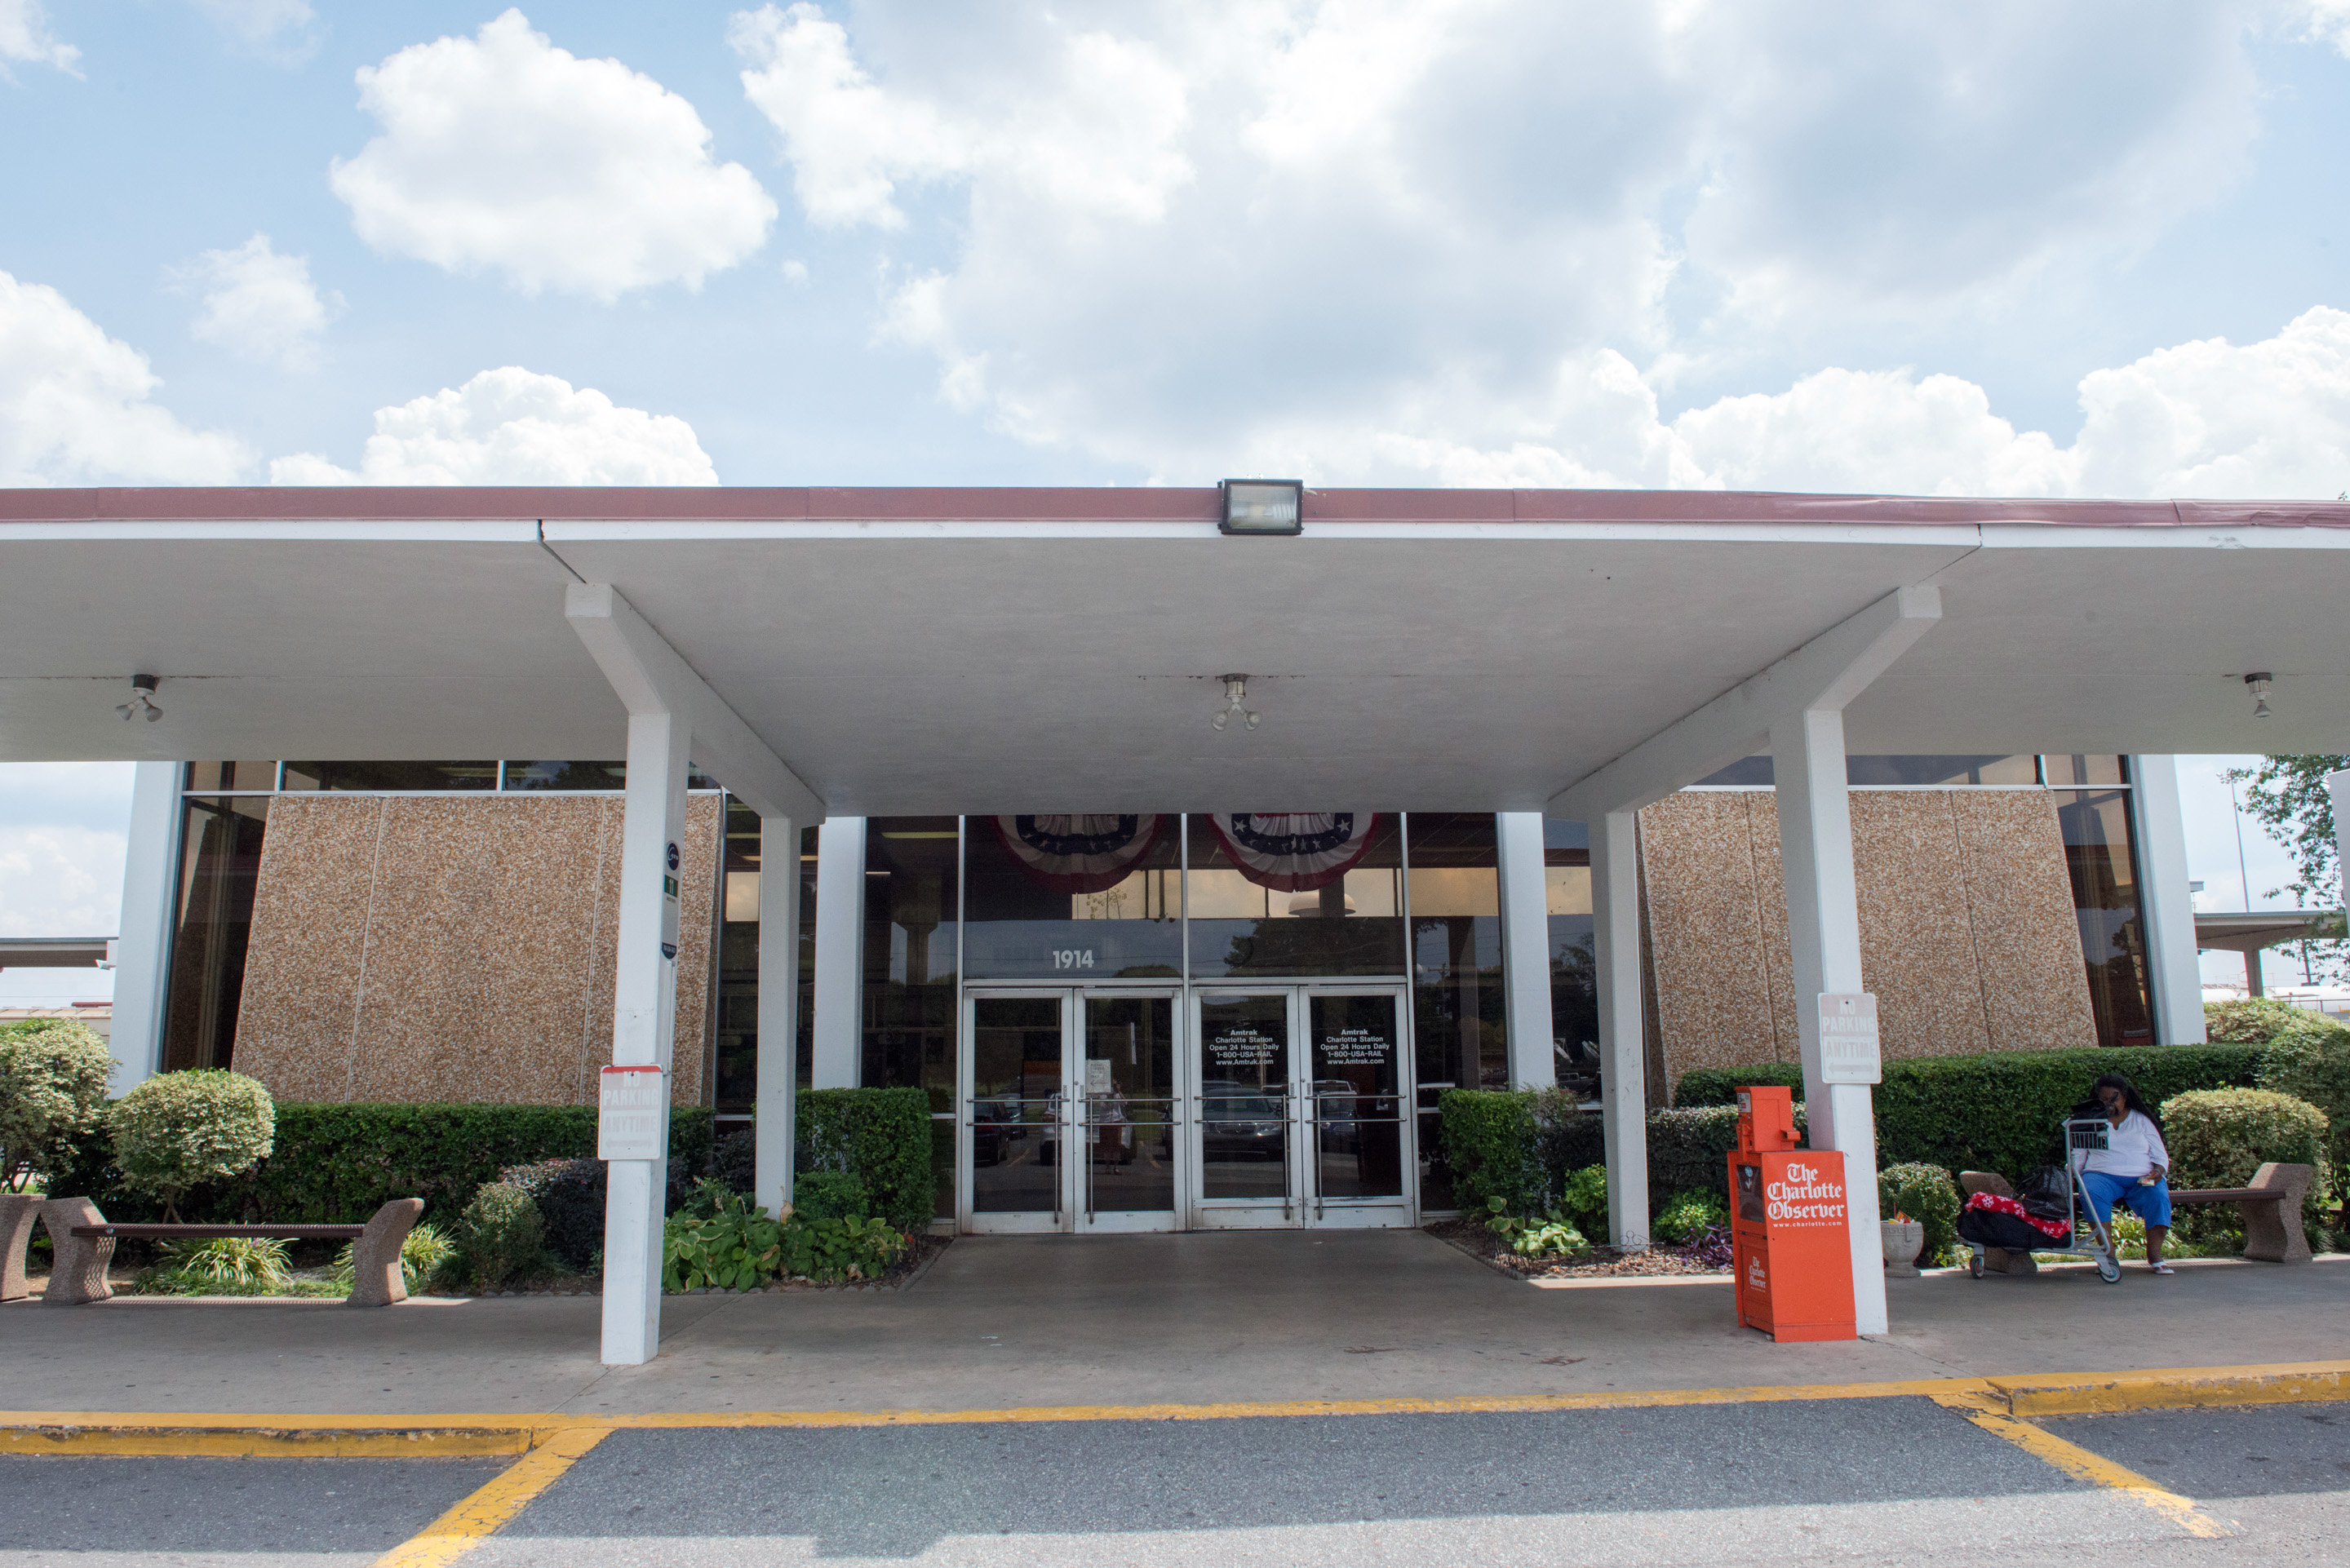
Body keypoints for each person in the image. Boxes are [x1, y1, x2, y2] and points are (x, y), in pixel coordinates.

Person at [2077, 1073, 2174, 1274]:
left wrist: (2158, 1170)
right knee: (2091, 1191)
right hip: (2101, 1174)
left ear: (2124, 1096)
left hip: (2141, 1177)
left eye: (2114, 1098)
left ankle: (2155, 1255)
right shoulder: (2088, 1121)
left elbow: (2160, 1155)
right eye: (2103, 1099)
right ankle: (2109, 1257)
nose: (2110, 1104)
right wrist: (2072, 1177)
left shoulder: (2142, 1120)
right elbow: (2077, 1155)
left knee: (2158, 1196)